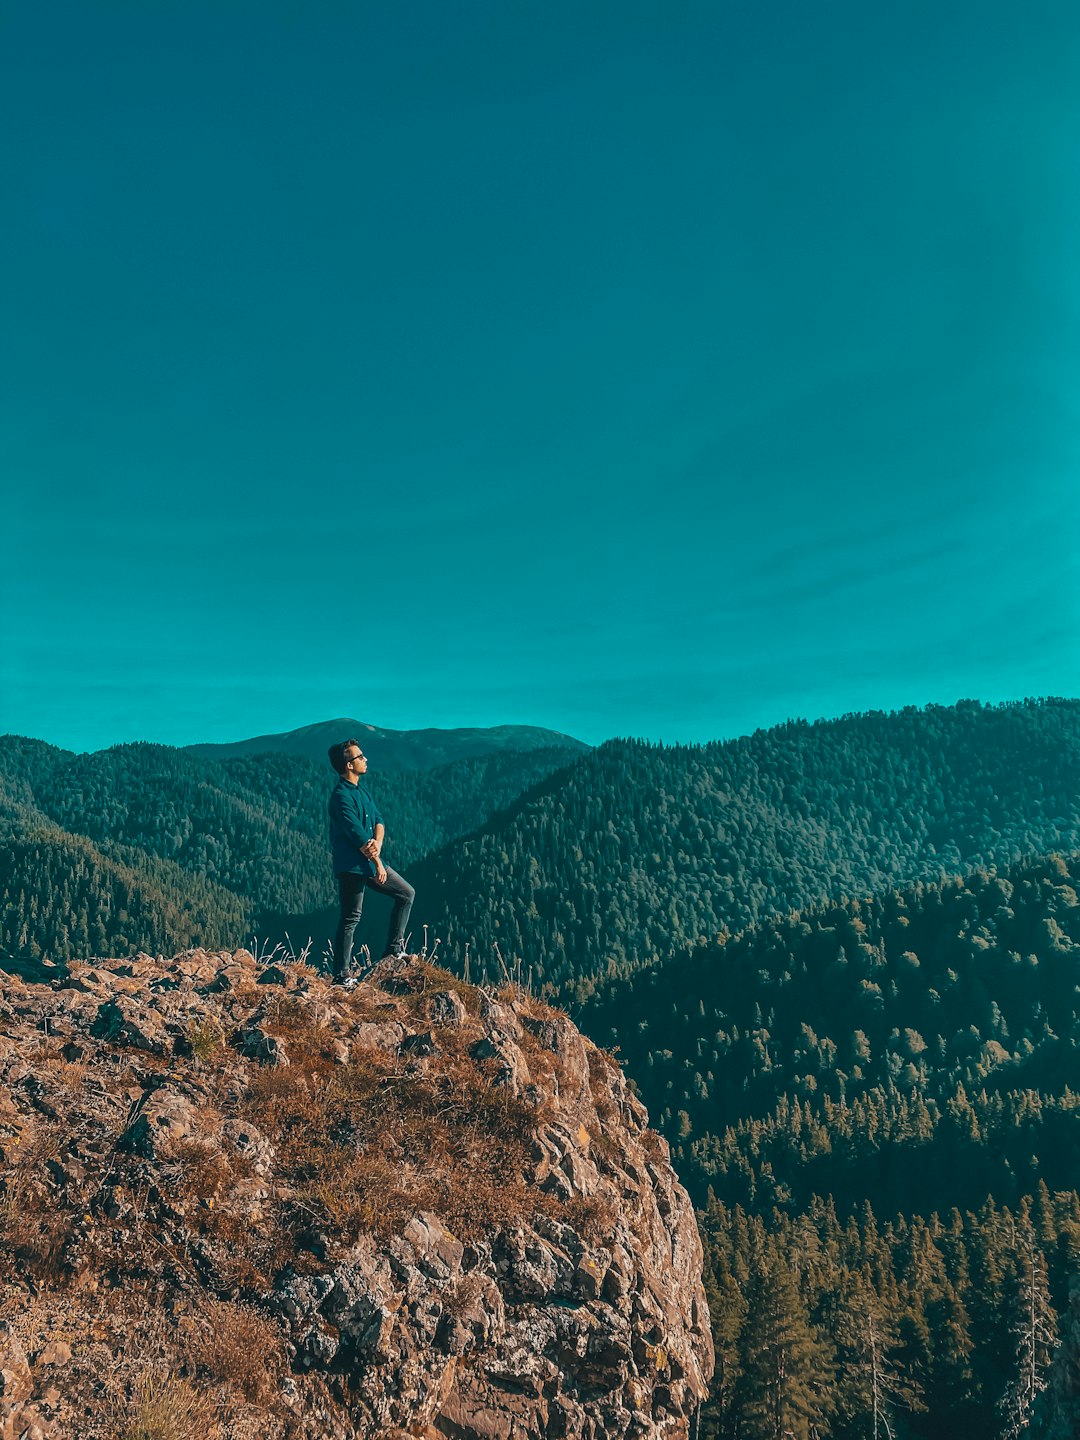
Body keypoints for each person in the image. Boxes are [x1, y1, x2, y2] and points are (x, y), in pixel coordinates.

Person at [327, 738, 415, 984]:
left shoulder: (361, 791)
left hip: (370, 861)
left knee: (406, 893)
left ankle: (394, 949)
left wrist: (378, 843)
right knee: (351, 917)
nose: (365, 760)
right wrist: (378, 865)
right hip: (352, 866)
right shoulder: (340, 797)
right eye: (360, 757)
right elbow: (357, 835)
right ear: (348, 765)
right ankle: (341, 976)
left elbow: (378, 819)